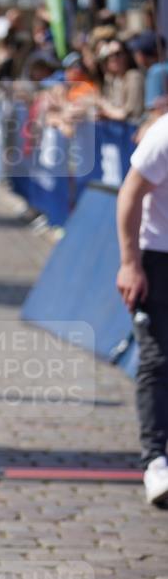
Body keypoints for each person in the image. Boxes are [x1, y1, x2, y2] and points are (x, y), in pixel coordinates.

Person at [116, 113, 168, 505]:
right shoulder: (164, 133)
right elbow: (131, 192)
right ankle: (155, 461)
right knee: (157, 357)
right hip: (158, 257)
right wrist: (130, 263)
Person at [97, 39, 145, 122]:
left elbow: (131, 114)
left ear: (126, 55)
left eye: (117, 54)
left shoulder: (133, 76)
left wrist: (103, 105)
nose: (113, 58)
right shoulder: (113, 80)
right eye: (109, 55)